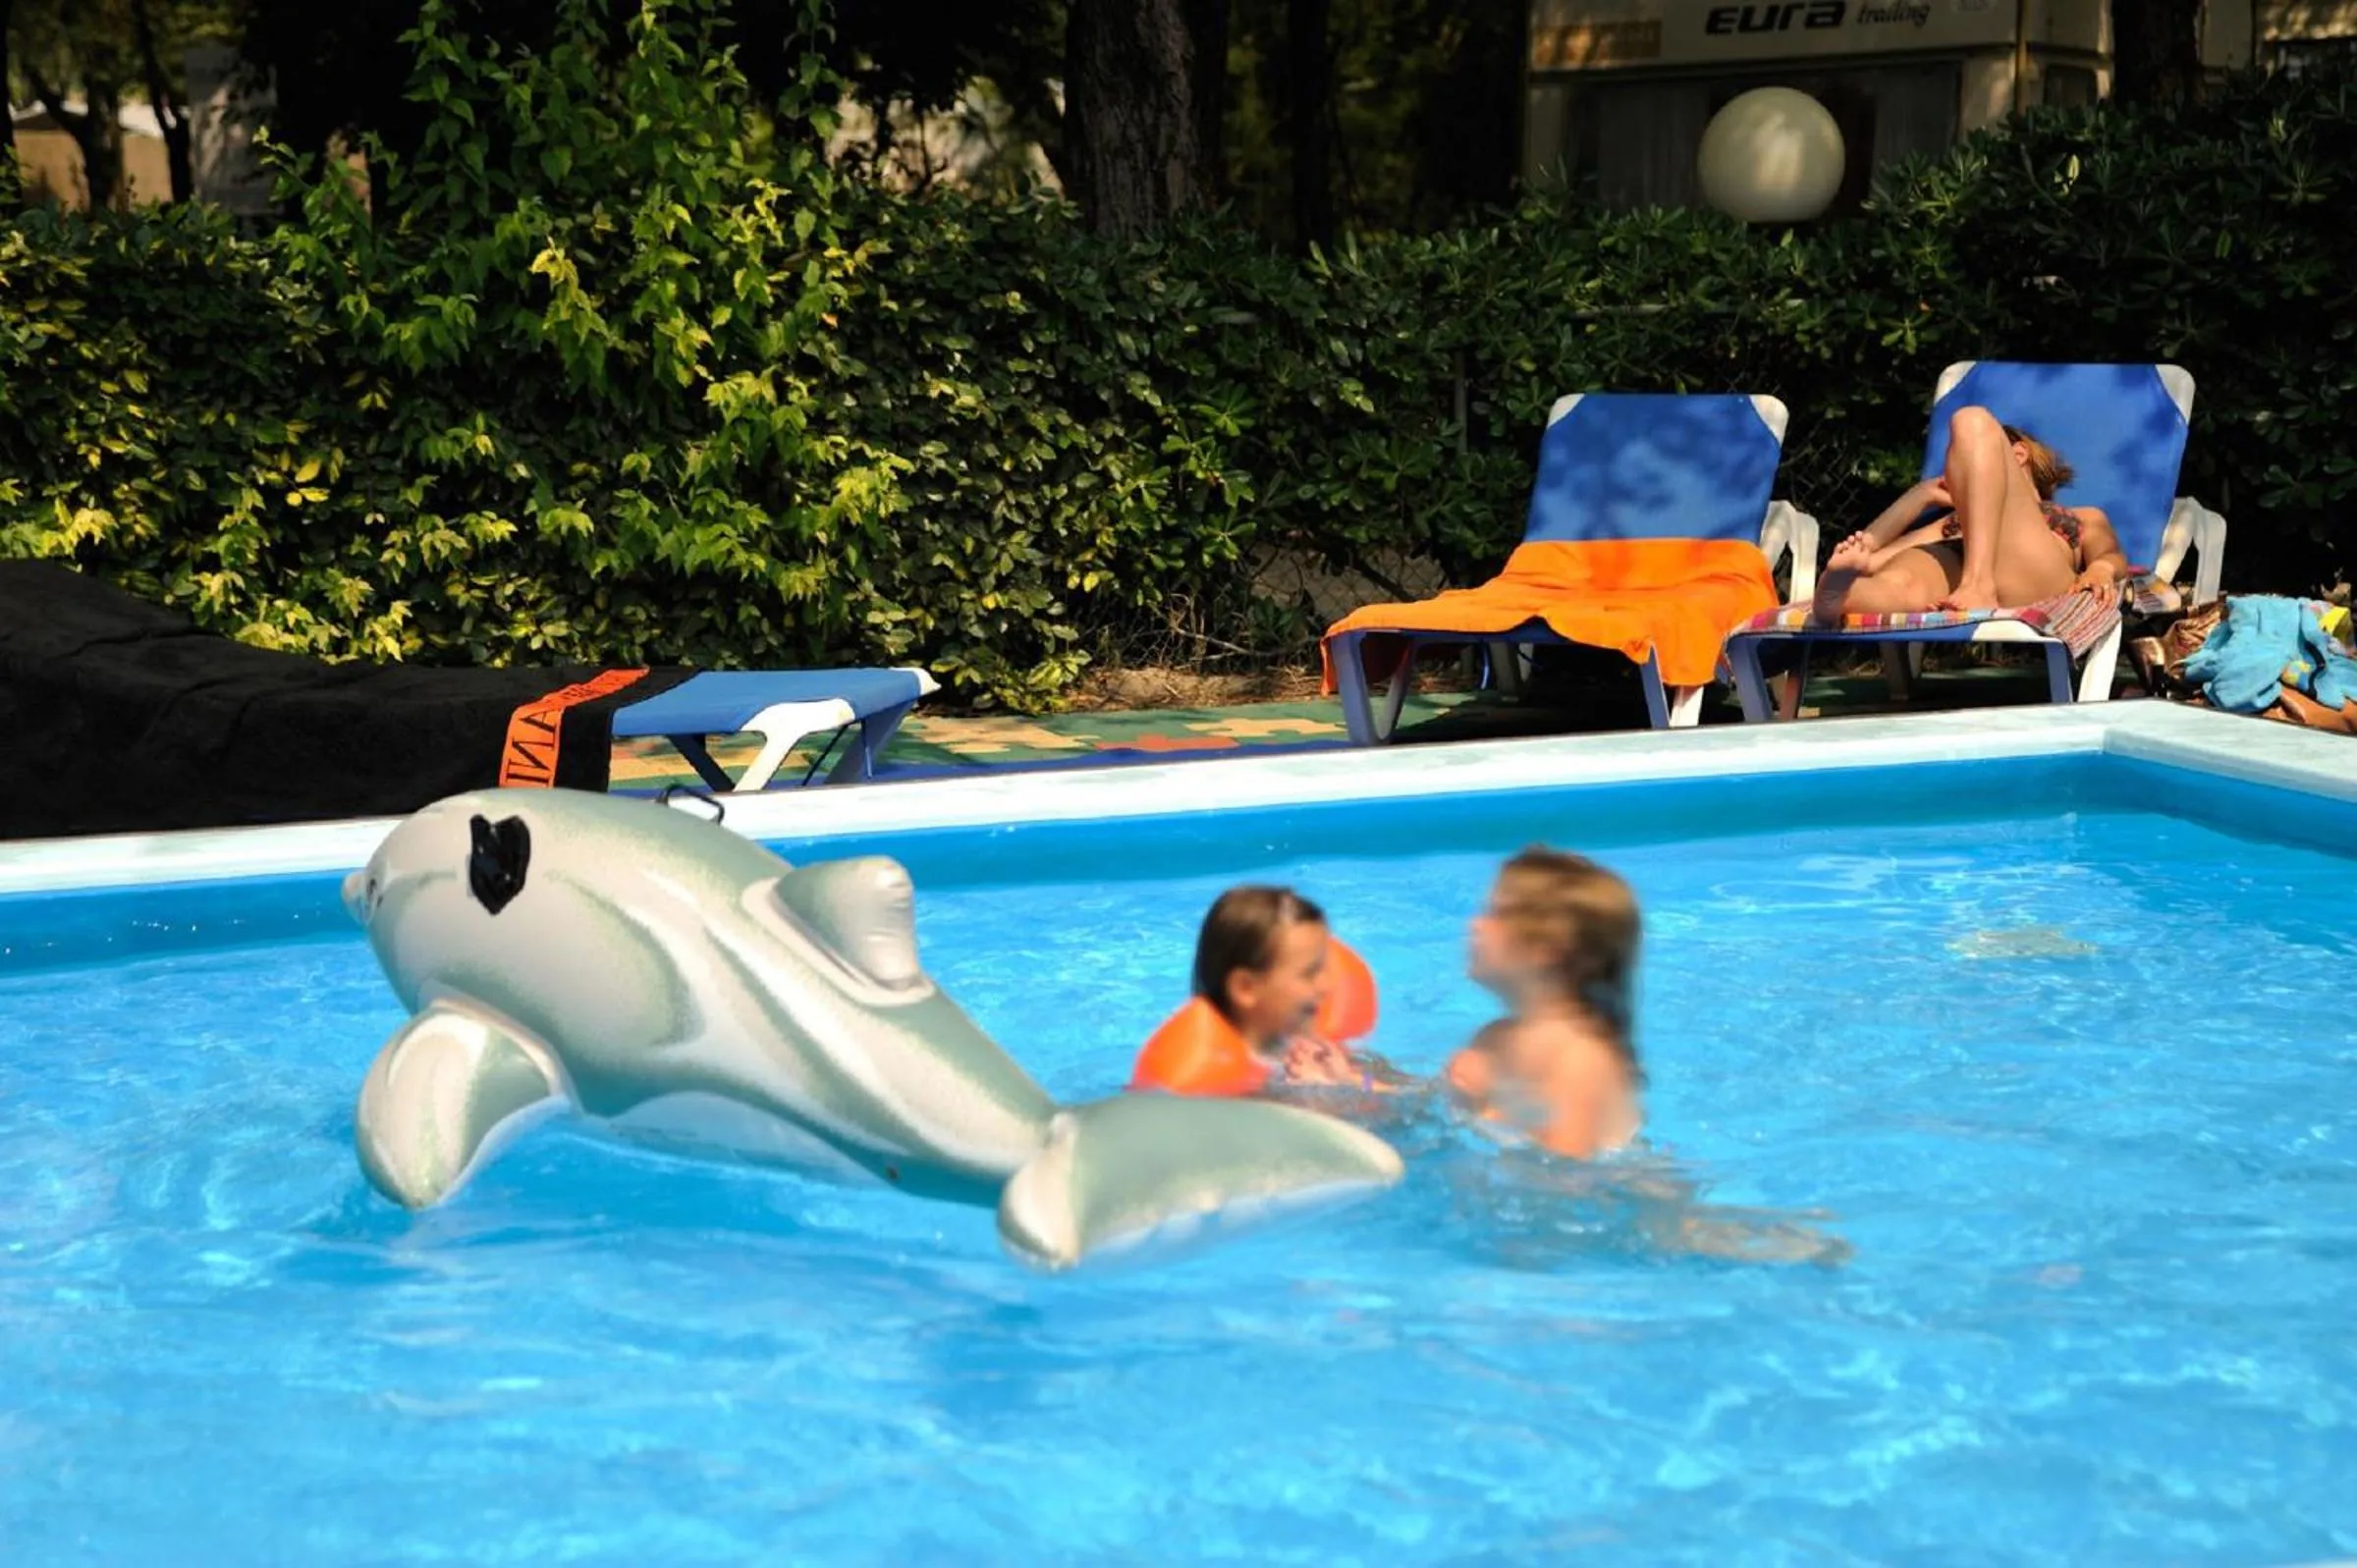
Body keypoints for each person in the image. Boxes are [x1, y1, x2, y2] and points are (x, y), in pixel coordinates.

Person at [1808, 406, 2130, 625]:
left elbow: (2110, 554)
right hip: (1959, 565)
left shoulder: (2077, 515)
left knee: (1971, 420)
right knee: (1899, 583)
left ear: (2017, 454)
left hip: (2032, 573)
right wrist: (1920, 495)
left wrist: (2101, 569)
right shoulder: (1953, 522)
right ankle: (1839, 598)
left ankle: (1980, 583)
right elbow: (1871, 558)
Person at [1444, 847, 1644, 1161]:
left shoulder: (1582, 1058)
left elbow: (1564, 1178)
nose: (1475, 925)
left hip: (1628, 1197)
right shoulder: (1494, 1038)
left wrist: (1492, 1099)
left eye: (1496, 914)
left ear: (1547, 948)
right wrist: (1360, 1082)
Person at [1128, 886, 1375, 1097]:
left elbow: (1412, 1100)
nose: (1326, 985)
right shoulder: (1202, 1081)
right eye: (1309, 974)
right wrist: (1323, 1099)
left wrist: (1352, 1082)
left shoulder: (1313, 1047)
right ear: (1246, 988)